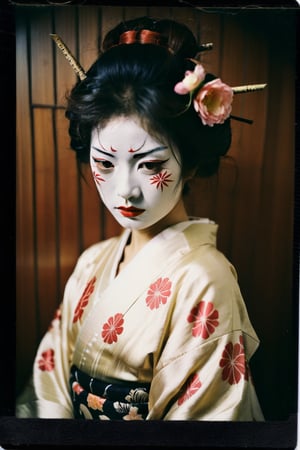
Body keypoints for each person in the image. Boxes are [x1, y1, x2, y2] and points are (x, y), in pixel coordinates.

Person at [16, 16, 264, 421]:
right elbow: (50, 385)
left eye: (150, 165)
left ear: (193, 162)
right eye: (104, 163)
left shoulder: (206, 280)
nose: (125, 190)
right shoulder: (94, 260)